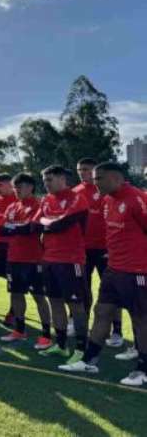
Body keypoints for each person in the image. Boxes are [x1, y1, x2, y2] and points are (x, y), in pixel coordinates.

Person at [60, 162, 147, 386]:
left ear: (116, 179)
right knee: (102, 311)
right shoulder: (108, 199)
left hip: (136, 271)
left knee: (140, 319)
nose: (94, 182)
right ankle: (90, 360)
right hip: (114, 269)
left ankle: (142, 369)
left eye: (99, 178)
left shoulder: (136, 198)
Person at [33, 165, 90, 365]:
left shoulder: (76, 198)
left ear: (61, 179)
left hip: (71, 260)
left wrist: (49, 223)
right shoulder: (46, 200)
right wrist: (51, 222)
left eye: (49, 180)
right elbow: (35, 224)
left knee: (76, 305)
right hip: (49, 259)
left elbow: (63, 223)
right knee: (55, 301)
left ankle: (83, 349)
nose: (45, 184)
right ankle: (62, 345)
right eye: (44, 180)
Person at [0, 173, 53, 349]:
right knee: (16, 294)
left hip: (34, 259)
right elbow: (3, 230)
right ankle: (19, 330)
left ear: (30, 187)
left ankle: (46, 334)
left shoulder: (38, 204)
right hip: (13, 258)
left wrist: (16, 228)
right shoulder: (12, 207)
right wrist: (18, 228)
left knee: (39, 297)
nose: (17, 191)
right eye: (15, 188)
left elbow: (30, 229)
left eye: (19, 187)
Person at [73, 158, 120, 345]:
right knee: (82, 288)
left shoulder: (107, 191)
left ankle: (116, 331)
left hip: (106, 249)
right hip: (82, 250)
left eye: (86, 169)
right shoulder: (75, 192)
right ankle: (79, 324)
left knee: (112, 291)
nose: (82, 172)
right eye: (79, 169)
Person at [0, 173, 18, 326]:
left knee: (11, 279)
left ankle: (13, 312)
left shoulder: (17, 198)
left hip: (11, 246)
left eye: (0, 185)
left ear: (10, 184)